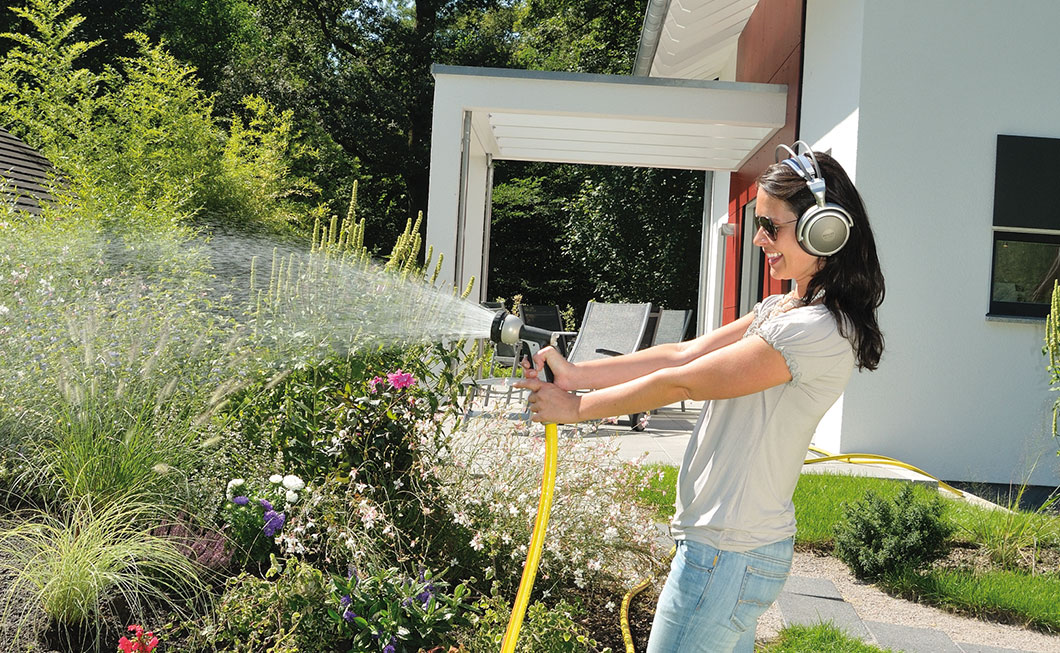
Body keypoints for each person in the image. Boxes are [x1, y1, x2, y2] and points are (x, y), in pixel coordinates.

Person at [516, 144, 885, 653]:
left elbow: (683, 382)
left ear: (823, 230)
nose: (759, 239)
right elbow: (678, 354)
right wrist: (575, 374)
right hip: (732, 549)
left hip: (727, 553)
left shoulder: (814, 331)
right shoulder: (782, 308)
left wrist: (576, 409)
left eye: (770, 226)